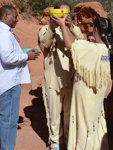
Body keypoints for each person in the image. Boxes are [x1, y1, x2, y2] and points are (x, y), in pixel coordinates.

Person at [51, 4, 113, 150]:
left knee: (84, 124)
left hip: (85, 96)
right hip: (96, 96)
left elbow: (71, 45)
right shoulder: (105, 49)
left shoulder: (92, 48)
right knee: (95, 123)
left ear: (96, 29)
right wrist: (70, 27)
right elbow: (79, 44)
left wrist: (61, 25)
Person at [0, 5, 38, 150]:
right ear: (5, 17)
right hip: (8, 83)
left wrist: (24, 51)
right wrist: (26, 56)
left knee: (5, 118)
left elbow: (8, 52)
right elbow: (7, 57)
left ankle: (3, 146)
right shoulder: (3, 33)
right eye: (15, 16)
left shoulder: (0, 30)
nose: (17, 20)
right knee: (9, 120)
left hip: (6, 82)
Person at [38, 1, 83, 150]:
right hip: (53, 80)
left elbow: (81, 44)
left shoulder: (72, 29)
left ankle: (68, 141)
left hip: (69, 79)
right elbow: (44, 44)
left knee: (69, 115)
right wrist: (53, 25)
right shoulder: (46, 28)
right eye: (61, 13)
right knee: (54, 115)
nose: (64, 16)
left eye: (67, 13)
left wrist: (70, 27)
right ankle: (56, 143)